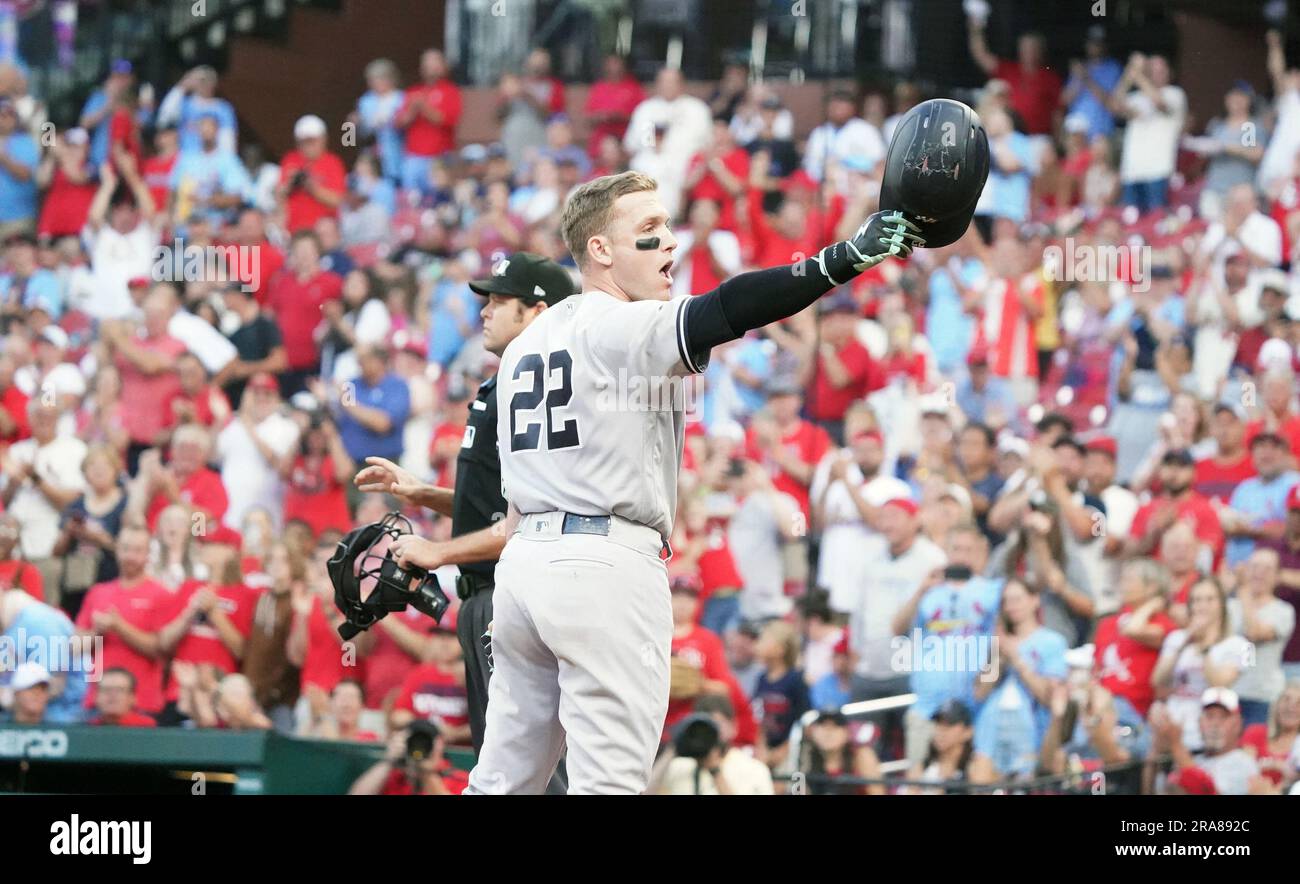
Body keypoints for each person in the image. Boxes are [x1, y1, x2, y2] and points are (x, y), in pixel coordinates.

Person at [460, 169, 921, 793]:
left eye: (668, 224)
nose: (671, 242)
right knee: (611, 784)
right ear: (600, 250)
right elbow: (728, 308)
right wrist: (844, 258)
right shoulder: (619, 323)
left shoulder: (523, 345)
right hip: (603, 565)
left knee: (502, 781)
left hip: (525, 568)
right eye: (648, 229)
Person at [359, 253, 575, 758]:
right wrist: (424, 495)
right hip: (488, 594)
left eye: (500, 301)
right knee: (503, 763)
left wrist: (438, 551)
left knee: (527, 764)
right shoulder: (506, 383)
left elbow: (535, 518)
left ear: (538, 312)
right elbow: (499, 508)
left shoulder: (540, 387)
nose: (484, 310)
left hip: (512, 595)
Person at [892, 522, 1002, 765]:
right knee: (917, 773)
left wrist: (987, 678)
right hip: (927, 701)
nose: (961, 556)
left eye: (968, 550)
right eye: (956, 549)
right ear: (945, 550)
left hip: (976, 702)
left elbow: (1001, 640)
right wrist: (921, 590)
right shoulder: (927, 590)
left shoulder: (994, 590)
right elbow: (897, 630)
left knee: (976, 773)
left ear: (980, 552)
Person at [972, 579, 1068, 779]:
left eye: (1017, 599)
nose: (1011, 606)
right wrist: (998, 658)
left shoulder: (1052, 641)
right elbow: (979, 693)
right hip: (992, 723)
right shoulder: (997, 642)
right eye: (1006, 601)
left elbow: (1048, 697)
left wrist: (1017, 660)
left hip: (1030, 727)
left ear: (1034, 600)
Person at [651, 694, 773, 795]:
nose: (710, 733)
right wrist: (674, 747)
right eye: (703, 727)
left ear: (733, 727)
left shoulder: (754, 770)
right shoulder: (678, 766)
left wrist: (715, 771)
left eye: (717, 724)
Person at [1228, 549, 1296, 726]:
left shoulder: (1283, 611)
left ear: (1276, 576)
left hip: (1264, 697)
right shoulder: (1229, 606)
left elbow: (1253, 633)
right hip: (1230, 693)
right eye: (1254, 566)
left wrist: (1243, 592)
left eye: (1267, 569)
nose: (1259, 573)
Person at [1148, 688, 1259, 795]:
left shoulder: (1243, 762)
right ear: (1200, 723)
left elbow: (1207, 790)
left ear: (1238, 724)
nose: (1215, 724)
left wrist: (1176, 745)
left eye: (1223, 717)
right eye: (1209, 716)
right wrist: (1157, 747)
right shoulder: (1195, 760)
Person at [899, 699, 997, 794]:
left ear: (967, 732)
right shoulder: (921, 767)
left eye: (948, 725)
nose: (940, 731)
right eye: (938, 724)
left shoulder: (977, 766)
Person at [348, 723, 468, 795]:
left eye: (426, 743)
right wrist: (389, 761)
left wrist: (426, 772)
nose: (420, 748)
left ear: (439, 746)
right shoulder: (395, 778)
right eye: (415, 743)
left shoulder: (461, 779)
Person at [89, 667, 157, 727]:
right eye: (106, 689)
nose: (112, 694)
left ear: (132, 697)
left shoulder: (146, 727)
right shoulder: (88, 729)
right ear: (95, 696)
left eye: (119, 690)